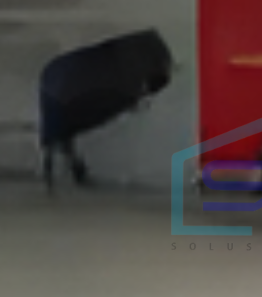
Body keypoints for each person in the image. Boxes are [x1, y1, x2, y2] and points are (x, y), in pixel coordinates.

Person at [38, 29, 172, 189]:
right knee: (59, 131)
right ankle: (69, 170)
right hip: (75, 89)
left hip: (70, 87)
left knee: (58, 131)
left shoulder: (60, 79)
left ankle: (66, 170)